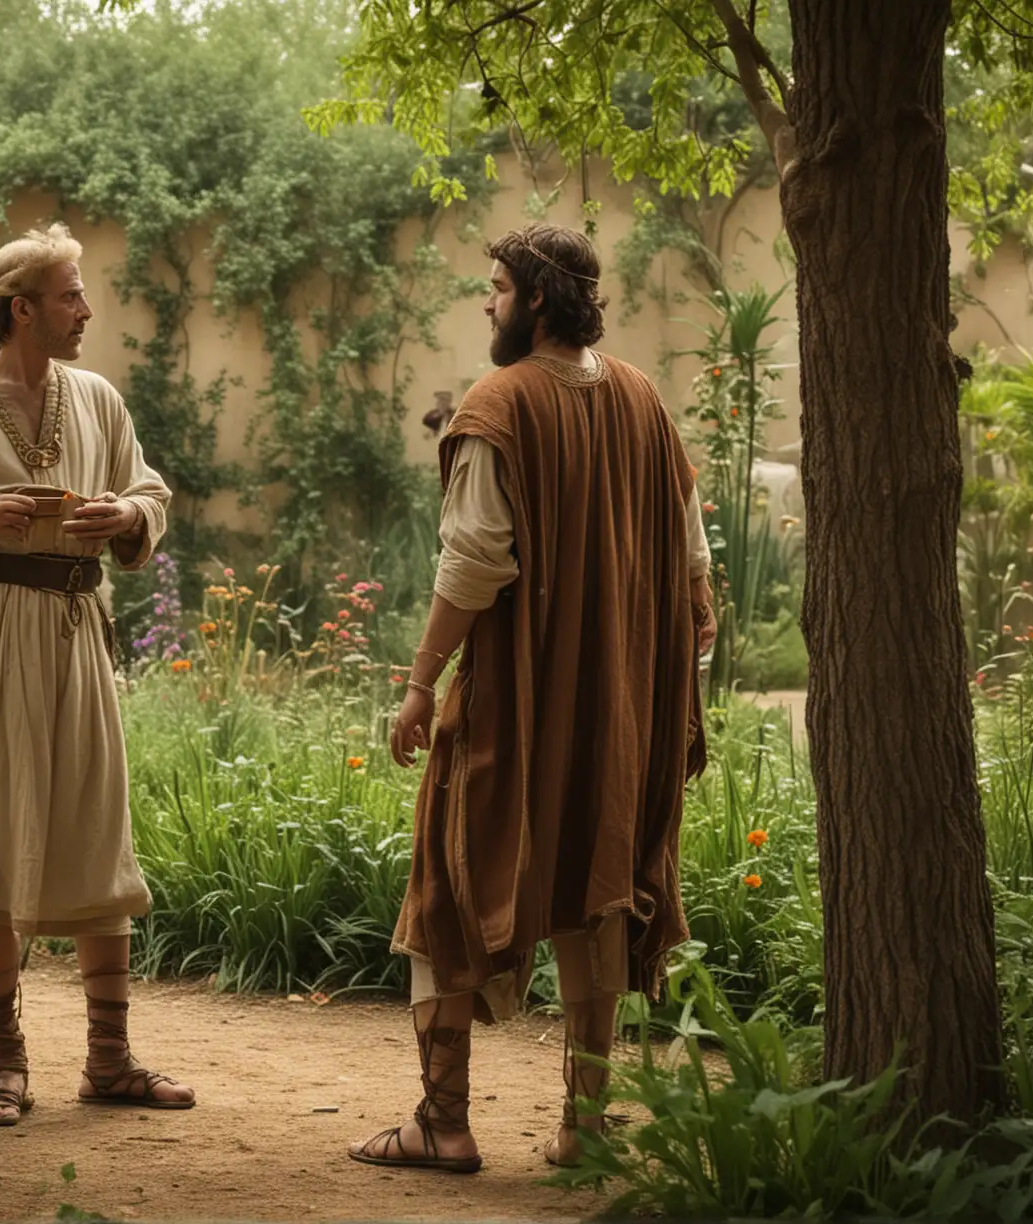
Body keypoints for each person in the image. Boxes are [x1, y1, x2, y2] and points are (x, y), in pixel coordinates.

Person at [349, 224, 716, 1174]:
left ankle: (443, 1121)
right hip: (617, 715)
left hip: (514, 707)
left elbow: (473, 567)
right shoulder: (644, 401)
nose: (488, 303)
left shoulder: (498, 405)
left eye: (499, 287)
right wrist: (657, 679)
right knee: (596, 895)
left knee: (449, 885)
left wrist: (421, 683)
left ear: (539, 300)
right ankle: (585, 1128)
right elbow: (692, 571)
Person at [0, 223, 196, 1126]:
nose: (85, 311)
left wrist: (121, 517)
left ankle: (109, 1059)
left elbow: (151, 492)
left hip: (74, 628)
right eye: (70, 296)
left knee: (96, 824)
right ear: (23, 309)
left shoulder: (97, 398)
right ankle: (4, 1063)